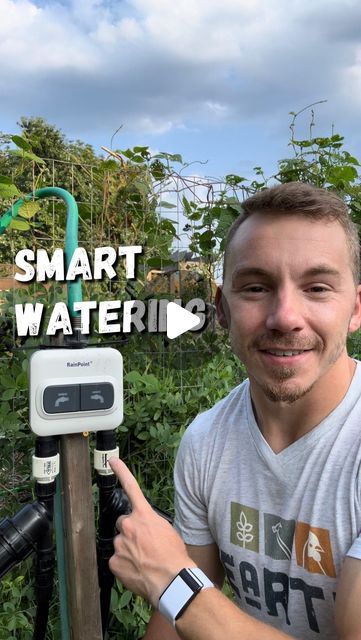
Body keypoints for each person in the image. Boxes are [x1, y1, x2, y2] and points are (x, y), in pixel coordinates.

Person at [109, 182, 361, 639]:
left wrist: (173, 583)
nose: (285, 317)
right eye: (256, 287)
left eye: (317, 287)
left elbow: (182, 597)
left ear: (356, 308)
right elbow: (174, 624)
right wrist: (180, 591)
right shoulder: (206, 442)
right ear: (223, 310)